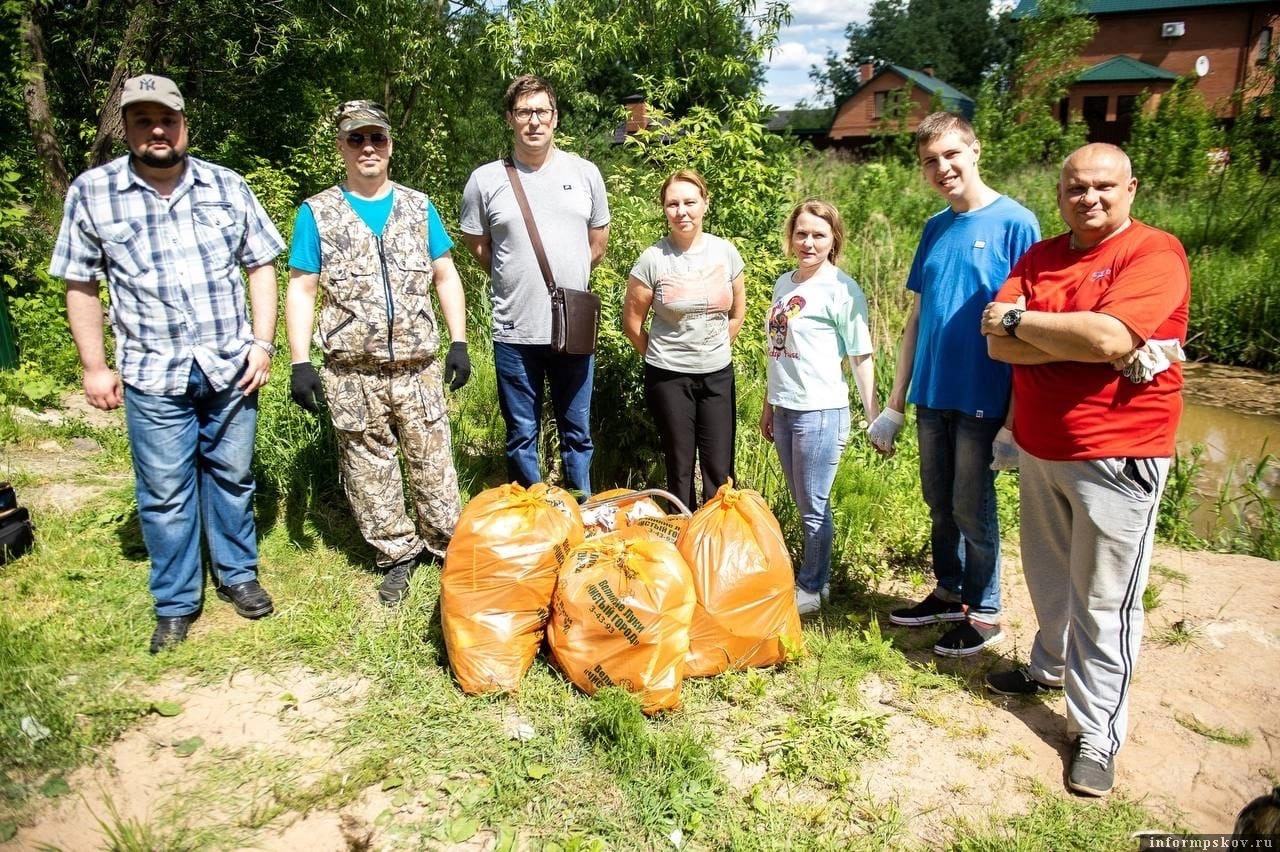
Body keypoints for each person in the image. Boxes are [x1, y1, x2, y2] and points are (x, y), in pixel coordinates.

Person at [980, 143, 1190, 798]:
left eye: (1103, 186)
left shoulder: (1153, 253)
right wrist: (1070, 334)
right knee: (1049, 579)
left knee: (1105, 602)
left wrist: (1029, 323)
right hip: (1041, 450)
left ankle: (1096, 731)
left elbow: (1111, 340)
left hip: (1119, 457)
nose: (1089, 198)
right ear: (1060, 193)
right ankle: (1047, 668)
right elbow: (994, 339)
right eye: (1076, 188)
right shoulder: (1042, 255)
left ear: (1131, 187)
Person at [49, 73, 284, 653]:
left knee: (231, 478)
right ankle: (176, 602)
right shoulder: (93, 193)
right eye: (142, 120)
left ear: (184, 124)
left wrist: (263, 343)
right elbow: (80, 282)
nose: (156, 130)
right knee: (164, 490)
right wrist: (94, 366)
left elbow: (260, 265)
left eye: (166, 120)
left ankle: (238, 575)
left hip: (230, 365)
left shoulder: (226, 186)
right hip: (152, 370)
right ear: (126, 127)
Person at [868, 112, 1040, 657]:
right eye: (930, 162)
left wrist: (1014, 420)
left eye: (951, 155)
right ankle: (948, 591)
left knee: (972, 506)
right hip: (932, 394)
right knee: (938, 502)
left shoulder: (1016, 223)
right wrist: (896, 402)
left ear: (975, 151)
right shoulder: (936, 226)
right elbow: (917, 317)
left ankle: (985, 609)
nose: (942, 168)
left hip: (984, 398)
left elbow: (1030, 326)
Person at [285, 100, 470, 606]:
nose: (368, 148)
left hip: (419, 368)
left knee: (434, 463)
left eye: (377, 139)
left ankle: (446, 544)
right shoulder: (317, 213)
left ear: (390, 146)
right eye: (356, 139)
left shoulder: (418, 206)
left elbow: (445, 274)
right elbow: (302, 288)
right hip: (351, 373)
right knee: (370, 471)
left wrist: (459, 341)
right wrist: (299, 362)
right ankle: (396, 554)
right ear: (342, 146)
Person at [460, 75, 610, 498]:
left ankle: (579, 511)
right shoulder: (485, 180)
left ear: (555, 118)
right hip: (514, 328)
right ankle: (533, 519)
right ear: (510, 118)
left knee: (577, 430)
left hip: (574, 326)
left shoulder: (585, 173)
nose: (533, 122)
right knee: (521, 432)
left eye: (542, 111)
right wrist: (515, 276)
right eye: (524, 112)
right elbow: (479, 246)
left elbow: (596, 243)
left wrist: (566, 284)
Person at [760, 199, 880, 615]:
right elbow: (776, 351)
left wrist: (875, 418)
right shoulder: (783, 284)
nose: (808, 242)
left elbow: (860, 356)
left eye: (818, 235)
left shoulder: (842, 289)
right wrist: (769, 404)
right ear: (791, 238)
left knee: (813, 505)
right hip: (786, 408)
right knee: (804, 502)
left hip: (821, 412)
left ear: (833, 241)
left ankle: (813, 586)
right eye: (802, 234)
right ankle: (816, 577)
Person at [623, 169, 745, 511]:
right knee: (679, 465)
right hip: (669, 377)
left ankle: (716, 541)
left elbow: (737, 314)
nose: (682, 211)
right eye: (672, 204)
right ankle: (683, 537)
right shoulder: (653, 259)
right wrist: (664, 358)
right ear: (664, 210)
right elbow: (632, 323)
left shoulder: (726, 253)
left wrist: (713, 347)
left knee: (720, 470)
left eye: (690, 202)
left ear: (705, 204)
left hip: (718, 375)